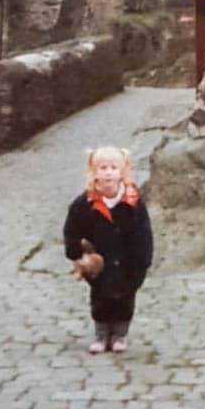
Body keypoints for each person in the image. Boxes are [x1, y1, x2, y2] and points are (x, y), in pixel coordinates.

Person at [64, 145, 153, 354]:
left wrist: (142, 261)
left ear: (122, 171)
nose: (108, 172)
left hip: (127, 262)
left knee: (125, 298)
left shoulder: (133, 203)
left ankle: (120, 334)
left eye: (113, 167)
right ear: (94, 172)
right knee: (100, 297)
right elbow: (72, 230)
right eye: (103, 167)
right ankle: (102, 333)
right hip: (99, 262)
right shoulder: (83, 204)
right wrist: (76, 251)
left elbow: (144, 234)